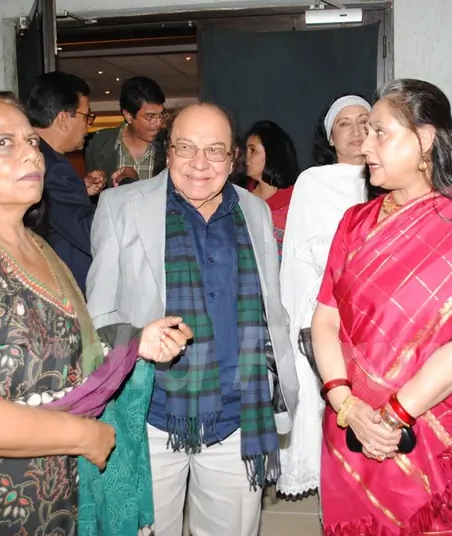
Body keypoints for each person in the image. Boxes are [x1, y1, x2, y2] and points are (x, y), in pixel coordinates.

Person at [0, 90, 191, 536]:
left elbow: (52, 348)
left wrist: (136, 340)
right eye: (4, 142)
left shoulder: (34, 245)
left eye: (31, 142)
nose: (30, 154)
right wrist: (83, 436)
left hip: (42, 489)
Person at [313, 79, 452, 535]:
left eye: (379, 132)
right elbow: (325, 320)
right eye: (365, 132)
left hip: (425, 423)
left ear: (425, 139)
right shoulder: (355, 223)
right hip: (352, 416)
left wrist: (392, 418)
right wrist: (346, 403)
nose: (364, 144)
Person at [86, 102, 299, 536]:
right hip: (151, 416)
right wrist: (136, 338)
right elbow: (98, 320)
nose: (200, 163)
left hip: (238, 416)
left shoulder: (253, 211)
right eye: (186, 147)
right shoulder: (121, 207)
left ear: (232, 157)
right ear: (168, 152)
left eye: (215, 150)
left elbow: (269, 310)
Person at [276, 94, 371, 499]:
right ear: (331, 137)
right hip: (326, 305)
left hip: (378, 312)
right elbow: (302, 252)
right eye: (344, 124)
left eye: (364, 120)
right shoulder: (314, 181)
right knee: (331, 399)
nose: (355, 131)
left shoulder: (390, 177)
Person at [26, 71, 99, 294]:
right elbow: (89, 233)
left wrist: (78, 190)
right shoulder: (52, 167)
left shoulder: (35, 156)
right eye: (86, 116)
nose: (88, 126)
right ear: (63, 119)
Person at [84, 75, 167, 186]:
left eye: (161, 115)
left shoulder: (169, 144)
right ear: (128, 115)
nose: (158, 123)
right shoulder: (98, 144)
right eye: (150, 117)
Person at [244, 120, 300, 257]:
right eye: (246, 150)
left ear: (272, 154)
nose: (246, 157)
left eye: (253, 150)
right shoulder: (240, 197)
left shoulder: (297, 200)